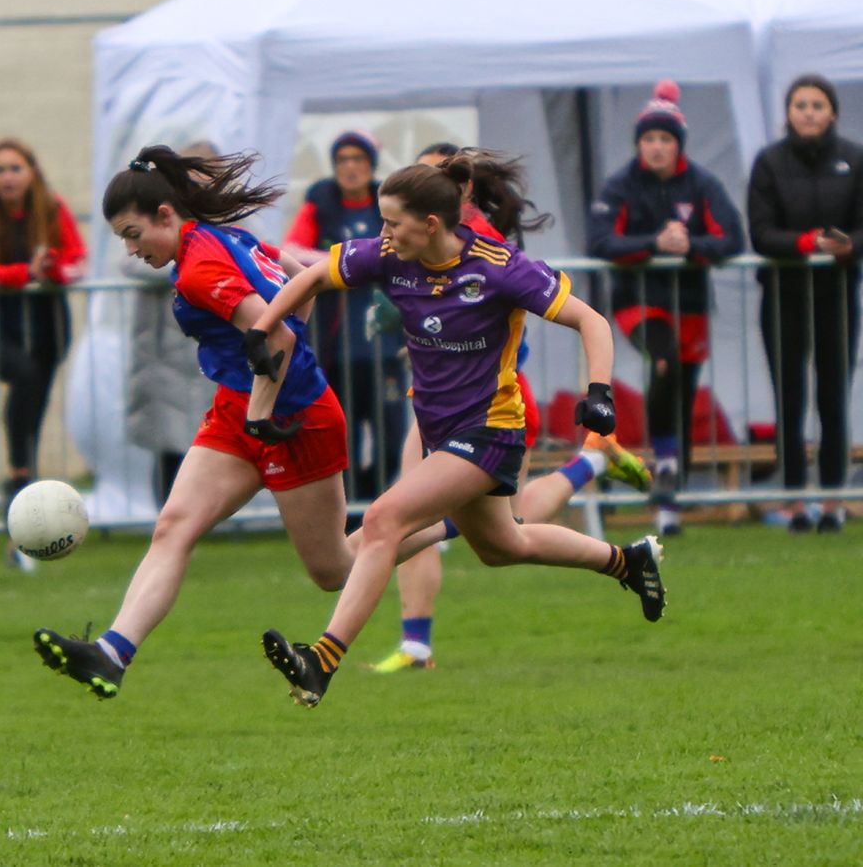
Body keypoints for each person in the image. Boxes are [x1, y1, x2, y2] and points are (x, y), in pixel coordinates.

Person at [247, 162, 666, 708]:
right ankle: (627, 562)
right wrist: (264, 328)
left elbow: (591, 321)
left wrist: (600, 391)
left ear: (430, 222)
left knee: (383, 519)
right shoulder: (392, 255)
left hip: (490, 429)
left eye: (393, 223)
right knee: (502, 545)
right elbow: (314, 277)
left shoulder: (497, 268)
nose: (383, 234)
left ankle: (321, 660)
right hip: (441, 429)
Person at [31, 145, 442, 701]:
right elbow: (303, 278)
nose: (130, 249)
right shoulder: (223, 238)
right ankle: (111, 653)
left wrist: (268, 402)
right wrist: (259, 395)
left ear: (166, 216)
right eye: (123, 239)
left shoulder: (201, 266)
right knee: (173, 526)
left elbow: (276, 334)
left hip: (294, 418)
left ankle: (457, 520)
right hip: (243, 408)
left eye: (133, 234)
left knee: (334, 568)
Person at [370, 146, 652, 674]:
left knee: (444, 519)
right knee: (493, 537)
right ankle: (594, 465)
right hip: (439, 405)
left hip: (492, 407)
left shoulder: (482, 250)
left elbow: (514, 319)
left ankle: (412, 644)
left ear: (457, 194)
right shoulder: (420, 240)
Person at [587, 80, 744, 537]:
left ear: (679, 144)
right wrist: (653, 244)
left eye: (665, 139)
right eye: (649, 139)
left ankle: (669, 508)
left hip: (691, 302)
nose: (657, 148)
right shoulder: (620, 185)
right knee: (664, 362)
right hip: (639, 302)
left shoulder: (701, 182)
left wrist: (690, 245)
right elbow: (599, 241)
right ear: (639, 143)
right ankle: (668, 461)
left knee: (682, 388)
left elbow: (731, 238)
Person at [748, 74, 863, 534]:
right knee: (789, 399)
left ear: (832, 112)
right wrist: (804, 243)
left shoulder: (853, 159)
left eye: (817, 105)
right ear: (789, 113)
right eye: (801, 105)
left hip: (837, 296)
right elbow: (760, 231)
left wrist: (845, 246)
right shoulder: (769, 163)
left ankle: (834, 498)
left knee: (833, 397)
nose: (809, 112)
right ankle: (794, 498)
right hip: (784, 295)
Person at [0, 138, 86, 523]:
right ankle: (20, 474)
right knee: (24, 375)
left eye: (15, 169)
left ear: (31, 173)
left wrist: (52, 270)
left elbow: (78, 260)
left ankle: (23, 479)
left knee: (37, 389)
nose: (7, 177)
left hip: (44, 317)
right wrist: (23, 274)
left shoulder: (51, 207)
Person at [284, 130, 405, 506]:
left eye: (358, 159)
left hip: (385, 345)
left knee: (390, 433)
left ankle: (375, 499)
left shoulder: (388, 202)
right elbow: (290, 250)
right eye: (342, 160)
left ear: (370, 165)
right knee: (344, 434)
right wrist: (345, 266)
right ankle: (351, 510)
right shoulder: (321, 203)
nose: (350, 167)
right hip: (337, 346)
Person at [122, 141, 219, 505]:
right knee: (167, 438)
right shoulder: (156, 217)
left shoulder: (227, 217)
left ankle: (205, 514)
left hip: (207, 346)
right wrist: (183, 263)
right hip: (164, 349)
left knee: (207, 437)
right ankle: (167, 513)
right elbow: (130, 260)